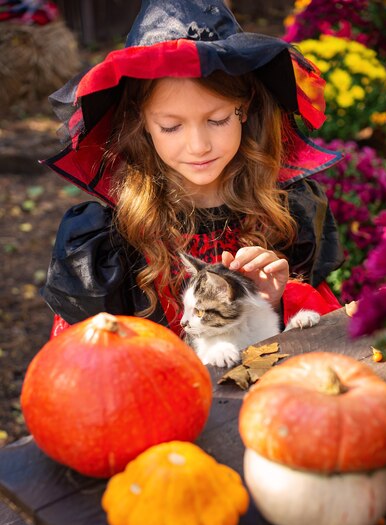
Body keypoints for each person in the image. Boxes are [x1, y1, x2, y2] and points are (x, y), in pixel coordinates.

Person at [41, 0, 344, 339]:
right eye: (171, 126)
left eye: (217, 120)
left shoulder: (284, 210)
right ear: (142, 124)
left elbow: (314, 341)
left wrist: (266, 302)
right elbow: (89, 358)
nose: (199, 146)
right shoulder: (111, 241)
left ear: (244, 109)